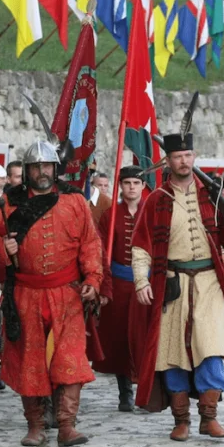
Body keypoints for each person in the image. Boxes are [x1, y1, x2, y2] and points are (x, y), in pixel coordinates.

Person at [131, 130, 224, 442]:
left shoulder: (212, 196)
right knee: (172, 352)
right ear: (168, 161)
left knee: (212, 348)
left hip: (209, 282)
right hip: (171, 283)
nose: (183, 161)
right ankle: (181, 420)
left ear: (194, 157)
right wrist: (141, 280)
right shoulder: (156, 199)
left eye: (188, 155)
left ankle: (209, 416)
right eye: (177, 157)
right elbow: (141, 245)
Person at [0, 140, 103, 447]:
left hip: (67, 295)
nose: (42, 172)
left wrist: (93, 278)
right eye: (36, 167)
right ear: (27, 171)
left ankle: (67, 426)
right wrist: (3, 246)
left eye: (47, 166)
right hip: (26, 294)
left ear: (55, 168)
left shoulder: (75, 201)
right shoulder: (9, 203)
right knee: (30, 360)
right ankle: (35, 425)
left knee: (70, 358)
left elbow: (90, 243)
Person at [94, 166, 146, 412]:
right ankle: (125, 392)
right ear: (121, 186)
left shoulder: (153, 212)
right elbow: (102, 252)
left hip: (147, 286)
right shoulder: (110, 215)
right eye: (127, 183)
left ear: (143, 186)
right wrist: (104, 286)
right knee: (120, 339)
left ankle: (147, 391)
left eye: (136, 183)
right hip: (119, 284)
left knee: (146, 337)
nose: (132, 187)